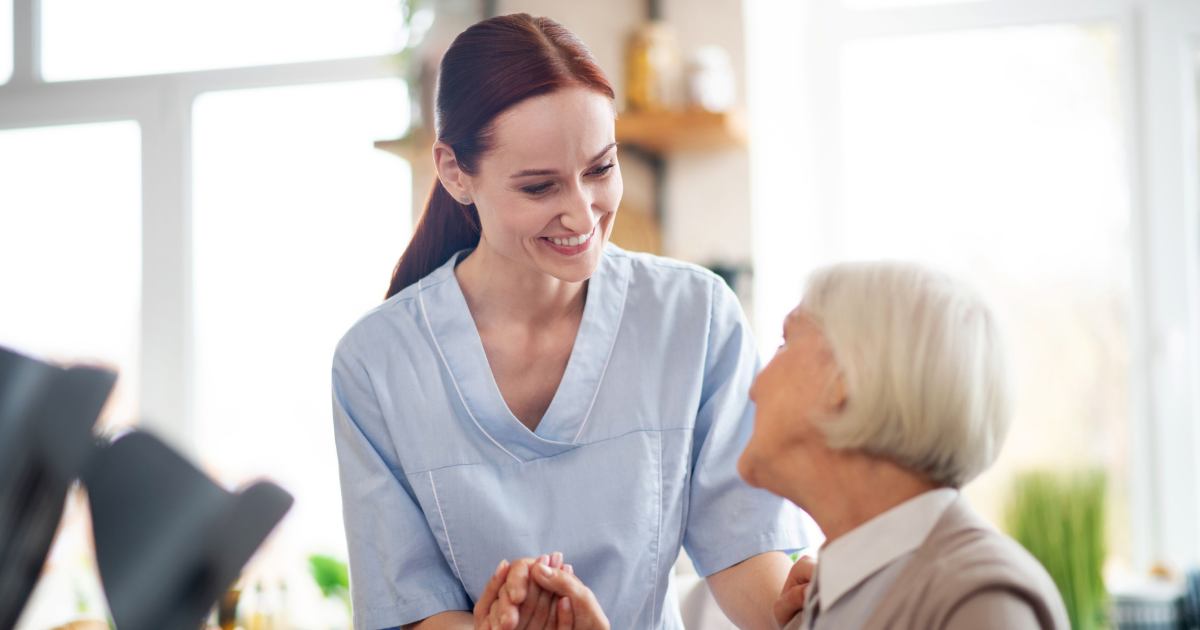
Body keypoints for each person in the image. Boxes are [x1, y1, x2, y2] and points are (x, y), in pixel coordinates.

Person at [331, 13, 809, 630]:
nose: (583, 215)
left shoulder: (695, 317)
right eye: (539, 188)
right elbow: (411, 607)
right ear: (454, 172)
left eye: (601, 169)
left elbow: (747, 548)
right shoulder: (376, 362)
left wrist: (809, 609)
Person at [737, 262, 1071, 630]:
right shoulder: (827, 600)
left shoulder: (979, 600)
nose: (755, 385)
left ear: (846, 374)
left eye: (786, 343)